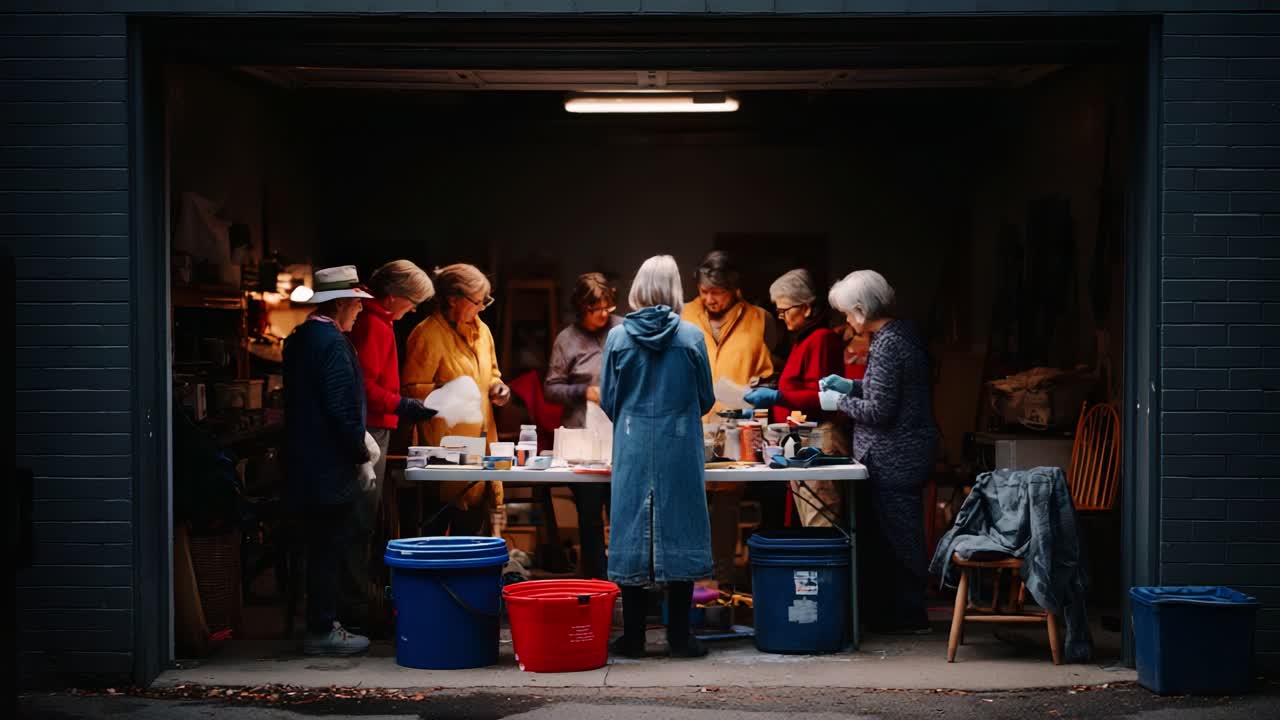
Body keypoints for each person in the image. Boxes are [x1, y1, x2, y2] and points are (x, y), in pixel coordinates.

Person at [601, 255, 715, 659]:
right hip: (679, 446)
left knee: (632, 532)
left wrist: (633, 417)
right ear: (675, 290)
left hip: (632, 445)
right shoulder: (691, 336)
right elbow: (707, 398)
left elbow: (609, 398)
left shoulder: (617, 337)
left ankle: (633, 639)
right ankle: (680, 639)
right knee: (680, 529)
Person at [819, 269, 938, 634]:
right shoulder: (903, 334)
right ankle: (899, 613)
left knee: (898, 538)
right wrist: (853, 385)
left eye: (845, 313)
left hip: (894, 457)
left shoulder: (887, 343)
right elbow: (882, 390)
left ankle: (906, 616)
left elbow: (879, 410)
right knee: (898, 534)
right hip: (907, 452)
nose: (846, 321)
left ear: (859, 309)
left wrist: (838, 399)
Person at [282, 265, 375, 655]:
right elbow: (341, 409)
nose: (359, 309)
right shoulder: (332, 344)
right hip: (329, 465)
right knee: (329, 547)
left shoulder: (300, 337)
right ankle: (323, 631)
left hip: (303, 461)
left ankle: (320, 625)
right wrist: (360, 454)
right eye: (355, 302)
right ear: (339, 303)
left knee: (317, 545)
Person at [344, 260, 437, 630]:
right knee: (360, 520)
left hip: (377, 426)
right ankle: (355, 611)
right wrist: (402, 404)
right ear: (395, 297)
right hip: (371, 431)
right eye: (412, 303)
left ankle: (358, 604)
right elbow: (363, 387)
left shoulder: (375, 321)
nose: (413, 310)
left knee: (366, 521)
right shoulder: (372, 325)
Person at [681, 250, 774, 585]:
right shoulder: (683, 314)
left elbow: (770, 374)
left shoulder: (759, 318)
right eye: (704, 291)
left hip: (737, 427)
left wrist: (756, 395)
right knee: (688, 503)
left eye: (716, 293)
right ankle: (688, 579)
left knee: (726, 507)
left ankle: (721, 579)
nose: (709, 298)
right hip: (690, 425)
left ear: (734, 289)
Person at [402, 263, 511, 535]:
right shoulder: (427, 334)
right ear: (453, 299)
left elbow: (492, 374)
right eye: (477, 301)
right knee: (438, 535)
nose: (482, 307)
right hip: (443, 448)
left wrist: (498, 388)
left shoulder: (482, 332)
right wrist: (449, 391)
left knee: (472, 532)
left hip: (481, 447)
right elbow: (410, 391)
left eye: (485, 300)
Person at [743, 269, 847, 527]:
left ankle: (823, 568)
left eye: (785, 310)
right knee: (809, 520)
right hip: (805, 441)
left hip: (819, 440)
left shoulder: (821, 339)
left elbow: (821, 398)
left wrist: (777, 395)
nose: (782, 316)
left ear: (807, 308)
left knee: (820, 522)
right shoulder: (803, 340)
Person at [544, 272, 622, 580]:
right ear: (581, 308)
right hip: (582, 441)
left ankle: (626, 581)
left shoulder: (623, 329)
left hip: (621, 440)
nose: (603, 314)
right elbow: (550, 389)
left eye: (607, 307)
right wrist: (583, 392)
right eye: (595, 309)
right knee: (589, 516)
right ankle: (596, 582)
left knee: (624, 515)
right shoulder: (567, 339)